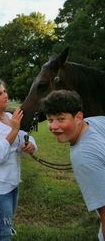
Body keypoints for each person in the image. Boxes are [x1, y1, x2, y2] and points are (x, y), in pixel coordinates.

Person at [0, 79, 37, 241]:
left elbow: (24, 137)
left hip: (12, 184)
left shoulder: (9, 116)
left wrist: (30, 144)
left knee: (3, 228)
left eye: (5, 91)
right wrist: (14, 129)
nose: (5, 95)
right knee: (3, 233)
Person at [41, 89, 105, 241]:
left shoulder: (83, 157)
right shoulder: (96, 121)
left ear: (78, 117)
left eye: (61, 119)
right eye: (50, 120)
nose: (53, 126)